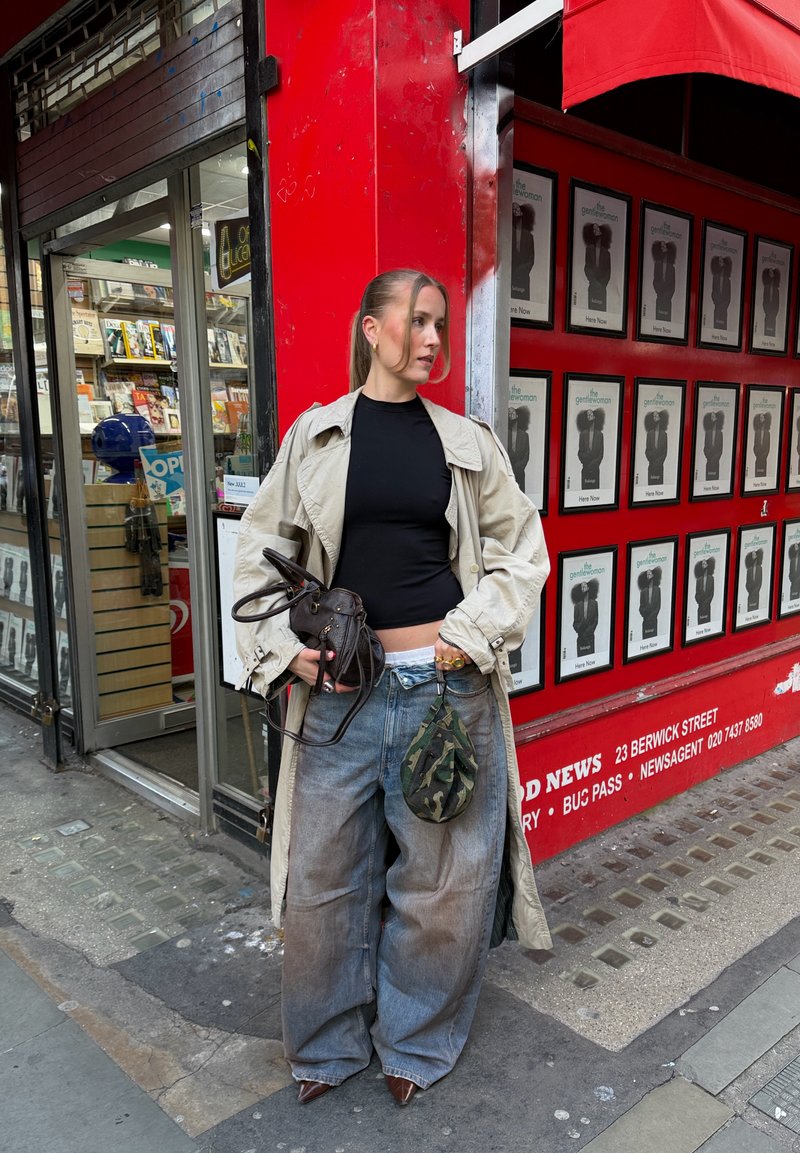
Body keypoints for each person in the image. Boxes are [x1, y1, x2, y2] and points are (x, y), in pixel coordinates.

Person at [233, 269, 551, 1107]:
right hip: (340, 695)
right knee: (324, 877)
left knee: (444, 884)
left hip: (446, 694)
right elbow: (258, 545)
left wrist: (469, 634)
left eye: (441, 323)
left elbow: (526, 550)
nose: (433, 338)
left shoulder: (467, 443)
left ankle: (414, 1038)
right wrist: (281, 650)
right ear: (371, 329)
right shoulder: (318, 435)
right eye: (417, 321)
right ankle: (327, 1046)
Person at [583, 222, 611, 312]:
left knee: (602, 312)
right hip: (592, 287)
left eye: (597, 229)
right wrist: (594, 282)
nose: (595, 231)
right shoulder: (589, 249)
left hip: (602, 288)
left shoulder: (606, 253)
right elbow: (587, 268)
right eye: (594, 229)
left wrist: (601, 284)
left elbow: (608, 271)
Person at [510, 202, 536, 300]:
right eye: (512, 210)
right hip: (510, 278)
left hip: (523, 278)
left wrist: (521, 271)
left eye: (517, 209)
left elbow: (531, 259)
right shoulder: (508, 232)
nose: (514, 211)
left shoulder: (529, 237)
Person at [577, 408, 604, 489]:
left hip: (595, 470)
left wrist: (593, 465)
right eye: (588, 415)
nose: (590, 416)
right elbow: (580, 453)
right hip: (585, 470)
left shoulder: (600, 435)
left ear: (594, 416)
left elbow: (601, 454)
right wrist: (586, 461)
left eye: (591, 414)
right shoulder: (583, 434)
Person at [571, 579, 599, 656]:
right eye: (582, 587)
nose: (583, 588)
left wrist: (588, 632)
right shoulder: (577, 606)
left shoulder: (594, 603)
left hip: (590, 638)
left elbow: (595, 620)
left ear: (588, 588)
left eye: (585, 586)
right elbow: (575, 623)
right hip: (581, 639)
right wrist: (581, 631)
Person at [651, 240, 676, 323]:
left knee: (667, 321)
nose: (663, 248)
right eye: (661, 247)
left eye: (665, 246)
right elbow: (655, 280)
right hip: (660, 296)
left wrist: (667, 295)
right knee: (659, 320)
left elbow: (673, 285)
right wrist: (660, 291)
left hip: (668, 298)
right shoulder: (657, 264)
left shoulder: (672, 267)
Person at [507, 404, 531, 492]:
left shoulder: (524, 435)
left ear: (517, 415)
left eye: (512, 412)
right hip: (507, 474)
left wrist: (517, 469)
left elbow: (526, 456)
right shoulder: (504, 434)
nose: (511, 414)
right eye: (508, 413)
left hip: (519, 473)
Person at [644, 410, 668, 487]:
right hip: (651, 467)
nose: (656, 416)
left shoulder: (664, 434)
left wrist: (658, 463)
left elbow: (665, 452)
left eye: (657, 415)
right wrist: (653, 460)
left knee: (659, 487)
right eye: (654, 416)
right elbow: (647, 451)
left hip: (660, 467)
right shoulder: (649, 434)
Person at [638, 568, 661, 639]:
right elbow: (641, 608)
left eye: (650, 573)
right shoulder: (643, 591)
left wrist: (651, 617)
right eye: (647, 574)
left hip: (653, 621)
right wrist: (646, 614)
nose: (649, 575)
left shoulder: (658, 589)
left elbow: (658, 606)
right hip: (646, 621)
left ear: (653, 575)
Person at [703, 411, 724, 482]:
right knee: (708, 481)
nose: (713, 418)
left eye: (714, 416)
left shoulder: (720, 434)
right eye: (711, 417)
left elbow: (720, 450)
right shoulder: (707, 433)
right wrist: (709, 458)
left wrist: (714, 459)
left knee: (715, 482)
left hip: (716, 463)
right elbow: (705, 448)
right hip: (708, 462)